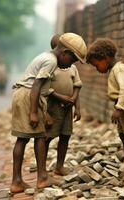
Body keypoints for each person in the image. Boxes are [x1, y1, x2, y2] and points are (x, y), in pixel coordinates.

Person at [10, 33, 87, 193]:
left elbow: (41, 88)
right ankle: (30, 180)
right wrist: (33, 112)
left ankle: (29, 179)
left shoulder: (47, 57)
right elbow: (37, 86)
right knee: (29, 138)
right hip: (28, 96)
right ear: (64, 53)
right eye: (72, 60)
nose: (70, 64)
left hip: (28, 96)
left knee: (33, 137)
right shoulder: (51, 61)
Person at [86, 38, 124, 176]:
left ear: (105, 58)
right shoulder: (114, 70)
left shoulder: (119, 69)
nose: (97, 69)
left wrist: (119, 108)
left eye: (97, 65)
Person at [45, 34, 82, 176]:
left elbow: (77, 86)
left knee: (65, 136)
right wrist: (58, 99)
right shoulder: (52, 66)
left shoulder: (72, 68)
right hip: (53, 107)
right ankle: (42, 167)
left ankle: (59, 166)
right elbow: (45, 89)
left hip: (68, 108)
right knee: (48, 136)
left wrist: (76, 106)